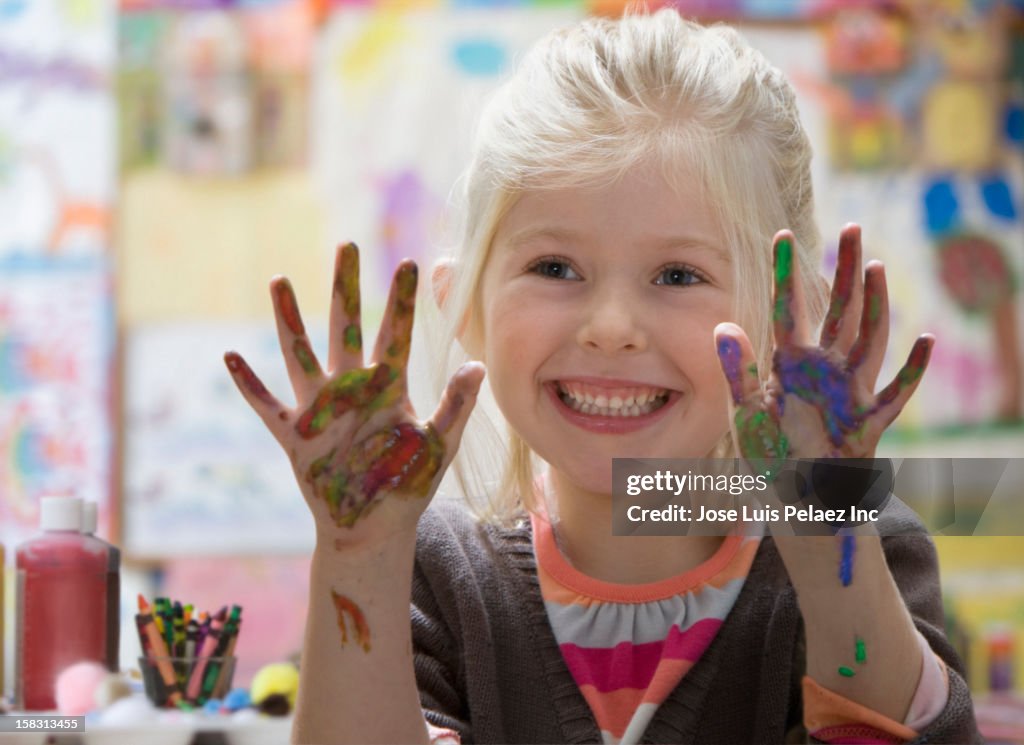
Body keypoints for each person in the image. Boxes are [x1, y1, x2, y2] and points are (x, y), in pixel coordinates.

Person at [224, 10, 979, 745]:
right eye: (554, 267)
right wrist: (359, 558)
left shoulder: (861, 540)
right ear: (465, 306)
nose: (610, 325)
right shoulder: (430, 573)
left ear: (789, 316)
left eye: (679, 274)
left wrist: (828, 535)